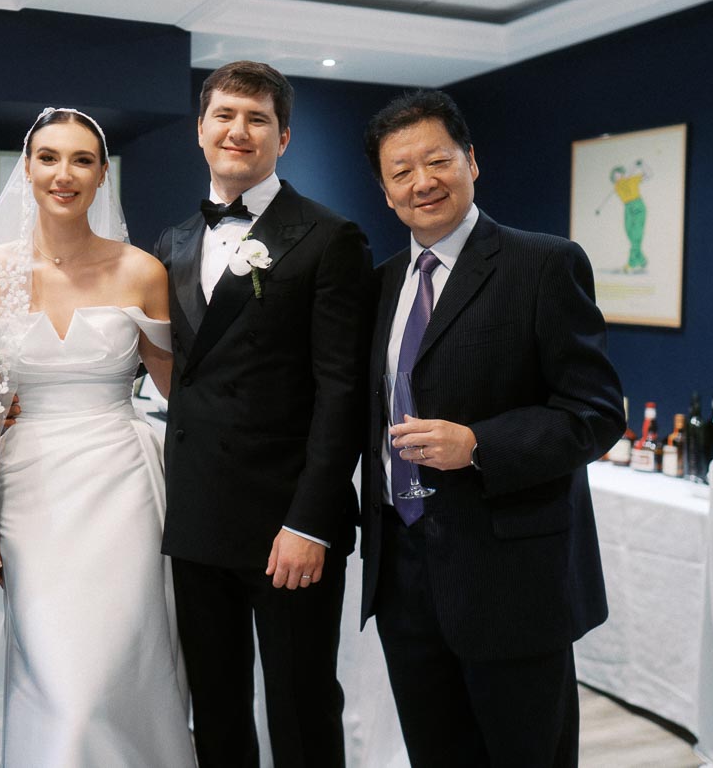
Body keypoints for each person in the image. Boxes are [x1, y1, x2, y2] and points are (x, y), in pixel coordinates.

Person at [360, 90, 625, 767]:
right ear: (386, 192)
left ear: (472, 162)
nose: (423, 181)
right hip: (405, 575)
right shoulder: (380, 284)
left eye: (438, 160)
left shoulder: (544, 263)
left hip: (510, 576)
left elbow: (595, 414)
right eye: (401, 172)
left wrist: (480, 445)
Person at [0, 108, 194, 767]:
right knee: (52, 672)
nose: (65, 173)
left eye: (81, 160)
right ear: (26, 168)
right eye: (50, 157)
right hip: (28, 490)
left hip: (120, 484)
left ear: (101, 174)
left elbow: (180, 389)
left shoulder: (142, 271)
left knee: (115, 667)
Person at [155, 61, 372, 768]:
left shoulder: (329, 237)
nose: (237, 131)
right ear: (199, 130)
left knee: (301, 707)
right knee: (214, 709)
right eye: (224, 115)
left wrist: (310, 521)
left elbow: (342, 392)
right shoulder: (173, 243)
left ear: (284, 135)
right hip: (197, 521)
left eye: (256, 118)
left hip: (290, 525)